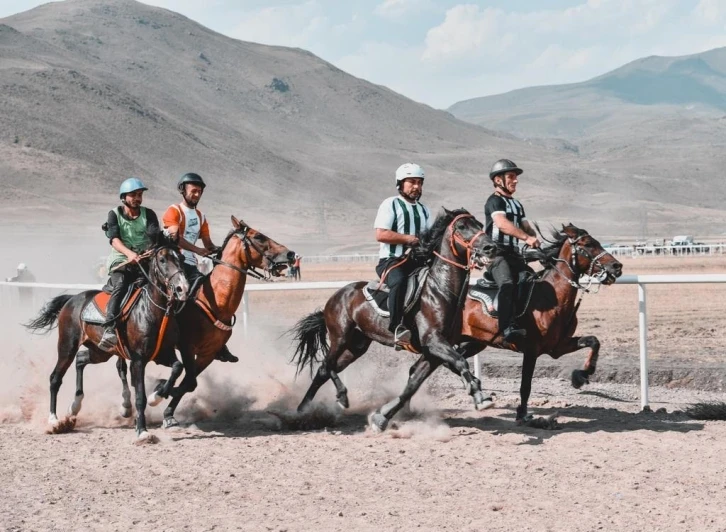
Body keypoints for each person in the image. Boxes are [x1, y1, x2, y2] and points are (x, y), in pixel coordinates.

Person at [162, 172, 239, 363]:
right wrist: (198, 249)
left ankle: (218, 343)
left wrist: (222, 250)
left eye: (199, 191)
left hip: (191, 265)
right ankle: (166, 336)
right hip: (173, 264)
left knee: (211, 296)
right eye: (193, 190)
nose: (196, 194)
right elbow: (175, 238)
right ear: (183, 190)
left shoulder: (200, 216)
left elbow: (208, 242)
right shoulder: (173, 211)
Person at [374, 163, 433, 349]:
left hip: (418, 261)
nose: (416, 186)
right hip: (392, 261)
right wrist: (409, 239)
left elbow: (430, 238)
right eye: (412, 182)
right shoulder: (390, 204)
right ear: (400, 184)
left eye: (419, 182)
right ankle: (396, 327)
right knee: (399, 281)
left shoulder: (424, 210)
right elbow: (381, 234)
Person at [99, 178, 160, 350]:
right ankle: (109, 327)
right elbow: (114, 240)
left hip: (144, 259)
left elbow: (153, 236)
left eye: (140, 195)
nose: (137, 198)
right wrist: (130, 254)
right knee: (121, 283)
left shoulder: (149, 214)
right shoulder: (114, 214)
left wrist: (147, 251)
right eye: (133, 195)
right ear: (124, 197)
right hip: (121, 259)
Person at [484, 159, 541, 343]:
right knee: (507, 283)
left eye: (516, 177)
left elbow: (525, 226)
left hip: (514, 255)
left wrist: (536, 239)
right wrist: (526, 238)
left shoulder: (517, 204)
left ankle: (524, 320)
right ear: (498, 180)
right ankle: (505, 328)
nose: (515, 180)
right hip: (496, 255)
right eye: (511, 177)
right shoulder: (494, 201)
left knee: (534, 282)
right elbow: (502, 225)